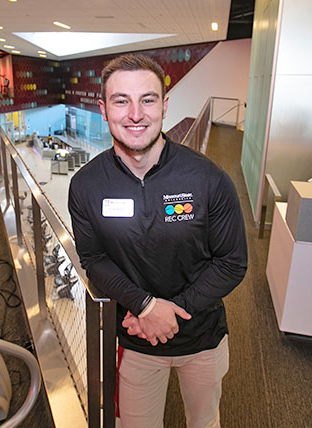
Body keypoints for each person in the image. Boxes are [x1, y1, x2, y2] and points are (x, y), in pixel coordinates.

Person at [68, 54, 248, 428]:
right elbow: (94, 258)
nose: (135, 114)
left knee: (205, 422)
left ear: (164, 106)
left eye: (147, 99)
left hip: (202, 336)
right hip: (134, 339)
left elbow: (232, 261)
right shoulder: (85, 185)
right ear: (103, 109)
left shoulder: (209, 178)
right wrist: (146, 307)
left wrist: (170, 313)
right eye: (121, 100)